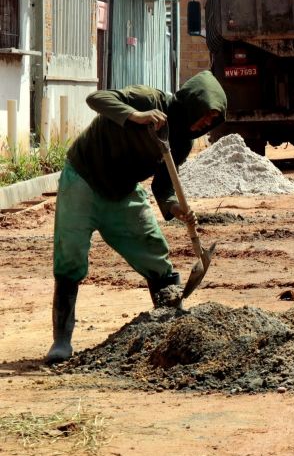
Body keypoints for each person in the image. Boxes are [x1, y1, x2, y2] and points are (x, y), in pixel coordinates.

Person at [46, 71, 227, 364]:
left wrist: (175, 208)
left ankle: (167, 326)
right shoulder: (149, 98)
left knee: (154, 252)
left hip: (122, 193)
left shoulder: (182, 142)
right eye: (206, 115)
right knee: (70, 256)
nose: (207, 124)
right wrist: (135, 115)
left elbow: (164, 185)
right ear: (193, 103)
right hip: (83, 179)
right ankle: (62, 340)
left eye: (213, 121)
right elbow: (97, 98)